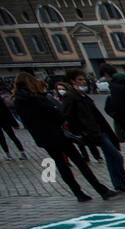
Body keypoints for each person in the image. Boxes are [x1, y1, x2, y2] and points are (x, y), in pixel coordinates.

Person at [14, 72, 115, 201]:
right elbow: (57, 115)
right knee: (79, 162)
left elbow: (26, 121)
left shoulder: (19, 101)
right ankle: (101, 190)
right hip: (57, 135)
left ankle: (78, 193)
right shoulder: (37, 99)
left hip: (43, 138)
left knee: (61, 165)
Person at [61, 71, 125, 191]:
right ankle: (121, 182)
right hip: (92, 132)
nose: (83, 82)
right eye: (80, 79)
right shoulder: (71, 96)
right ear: (73, 81)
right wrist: (82, 131)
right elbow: (67, 116)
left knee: (111, 157)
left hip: (100, 129)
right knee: (116, 156)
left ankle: (120, 182)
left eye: (83, 79)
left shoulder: (82, 95)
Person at [0, 89, 27, 159]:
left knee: (3, 139)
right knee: (12, 137)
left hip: (4, 120)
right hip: (5, 121)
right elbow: (7, 112)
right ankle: (22, 153)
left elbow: (6, 112)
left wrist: (14, 123)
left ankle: (9, 155)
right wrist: (14, 123)